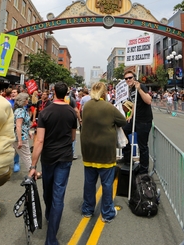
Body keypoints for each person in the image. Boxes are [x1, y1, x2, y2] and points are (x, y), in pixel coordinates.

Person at [28, 82, 77, 245]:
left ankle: (50, 219)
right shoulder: (72, 112)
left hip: (48, 158)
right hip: (64, 157)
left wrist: (33, 166)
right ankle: (51, 238)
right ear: (66, 93)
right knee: (58, 196)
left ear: (53, 92)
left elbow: (39, 140)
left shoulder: (45, 112)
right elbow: (73, 137)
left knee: (48, 192)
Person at [80, 82, 126, 223]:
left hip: (88, 150)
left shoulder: (86, 106)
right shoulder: (109, 107)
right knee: (106, 184)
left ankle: (87, 210)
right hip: (105, 152)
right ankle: (106, 213)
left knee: (89, 182)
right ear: (105, 93)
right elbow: (122, 121)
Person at [121, 70, 153, 174]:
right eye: (126, 78)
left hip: (144, 121)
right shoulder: (131, 89)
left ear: (134, 78)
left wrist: (139, 89)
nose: (128, 80)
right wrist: (130, 115)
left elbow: (148, 100)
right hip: (135, 119)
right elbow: (135, 103)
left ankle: (144, 169)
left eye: (130, 77)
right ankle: (127, 158)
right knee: (123, 131)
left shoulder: (140, 86)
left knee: (142, 145)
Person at [13, 92, 32, 172]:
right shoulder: (21, 111)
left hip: (16, 136)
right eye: (27, 99)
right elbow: (18, 126)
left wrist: (29, 131)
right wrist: (20, 140)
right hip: (20, 136)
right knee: (26, 155)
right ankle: (32, 172)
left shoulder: (20, 110)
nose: (28, 100)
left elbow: (23, 125)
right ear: (23, 101)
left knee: (10, 154)